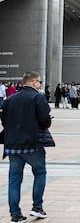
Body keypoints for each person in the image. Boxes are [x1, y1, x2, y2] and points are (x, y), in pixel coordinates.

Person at [1, 71, 52, 223]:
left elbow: (4, 120)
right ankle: (37, 207)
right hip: (32, 143)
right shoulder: (38, 97)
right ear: (34, 82)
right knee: (40, 172)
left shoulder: (10, 99)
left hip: (12, 145)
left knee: (14, 179)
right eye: (40, 82)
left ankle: (15, 214)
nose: (40, 85)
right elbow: (45, 120)